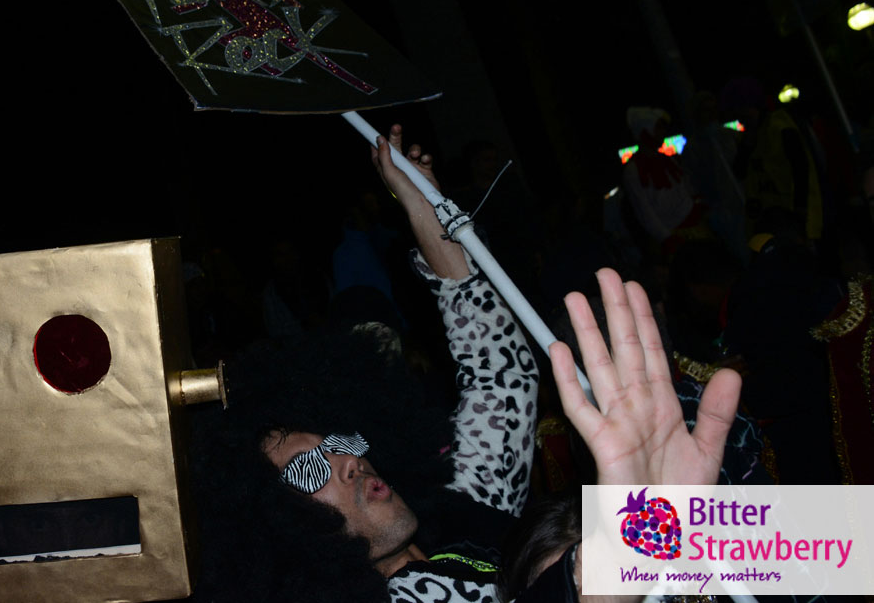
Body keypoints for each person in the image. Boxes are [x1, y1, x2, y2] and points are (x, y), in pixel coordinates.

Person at [195, 124, 741, 603]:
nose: (349, 462)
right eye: (308, 469)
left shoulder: (456, 521)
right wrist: (638, 536)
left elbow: (499, 377)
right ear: (277, 527)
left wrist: (428, 211)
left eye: (340, 442)